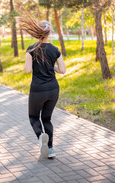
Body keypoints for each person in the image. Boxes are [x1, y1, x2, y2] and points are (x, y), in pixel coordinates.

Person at [17, 16, 66, 159]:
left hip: (38, 90)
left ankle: (40, 137)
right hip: (53, 90)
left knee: (33, 118)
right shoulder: (55, 50)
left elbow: (27, 70)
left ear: (37, 32)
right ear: (49, 33)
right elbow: (62, 70)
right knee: (47, 119)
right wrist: (52, 66)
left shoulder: (31, 50)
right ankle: (50, 149)